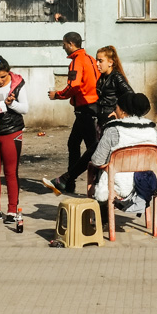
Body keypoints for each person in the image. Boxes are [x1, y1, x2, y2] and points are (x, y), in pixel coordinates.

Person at [85, 92, 157, 214]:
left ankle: (103, 214)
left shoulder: (113, 130)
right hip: (144, 183)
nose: (115, 110)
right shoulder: (151, 131)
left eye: (116, 107)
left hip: (117, 183)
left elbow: (97, 160)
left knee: (95, 168)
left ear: (123, 111)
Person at [44, 32, 99, 195]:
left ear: (70, 44)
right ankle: (69, 182)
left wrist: (58, 95)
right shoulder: (90, 59)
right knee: (73, 143)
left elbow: (74, 85)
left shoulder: (77, 61)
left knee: (92, 149)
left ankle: (89, 183)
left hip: (85, 109)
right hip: (92, 107)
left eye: (64, 44)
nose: (63, 47)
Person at [0, 56, 28, 224]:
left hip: (11, 131)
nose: (0, 80)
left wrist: (12, 105)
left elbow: (25, 108)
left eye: (3, 77)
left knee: (11, 172)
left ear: (8, 73)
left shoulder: (17, 83)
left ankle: (11, 210)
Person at [94, 45, 134, 131]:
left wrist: (119, 112)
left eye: (100, 61)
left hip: (112, 121)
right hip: (102, 120)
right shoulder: (102, 77)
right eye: (96, 60)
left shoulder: (116, 77)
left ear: (110, 62)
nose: (97, 64)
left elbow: (130, 95)